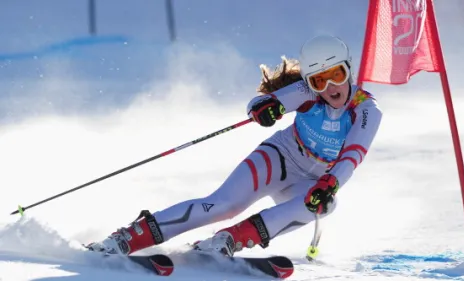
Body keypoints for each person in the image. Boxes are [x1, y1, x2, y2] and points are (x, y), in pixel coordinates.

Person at [86, 34, 383, 257]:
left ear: (349, 70)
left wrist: (330, 183)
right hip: (281, 158)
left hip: (312, 180)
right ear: (310, 82)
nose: (330, 87)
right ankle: (127, 238)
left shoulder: (366, 110)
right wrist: (264, 110)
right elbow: (262, 103)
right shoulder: (305, 92)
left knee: (325, 204)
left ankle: (227, 240)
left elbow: (353, 155)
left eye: (337, 75)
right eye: (320, 80)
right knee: (224, 205)